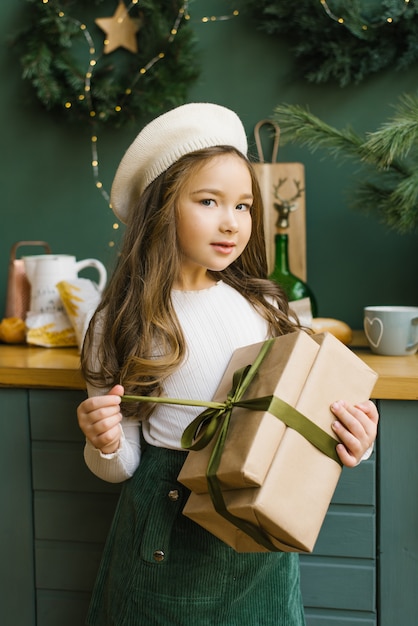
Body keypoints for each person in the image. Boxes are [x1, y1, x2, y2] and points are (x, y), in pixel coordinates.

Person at [77, 102, 379, 626]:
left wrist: (356, 438)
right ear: (161, 208)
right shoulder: (120, 322)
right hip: (169, 530)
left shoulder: (268, 308)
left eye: (242, 206)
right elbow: (121, 464)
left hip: (259, 533)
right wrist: (101, 440)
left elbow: (306, 423)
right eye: (208, 200)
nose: (230, 222)